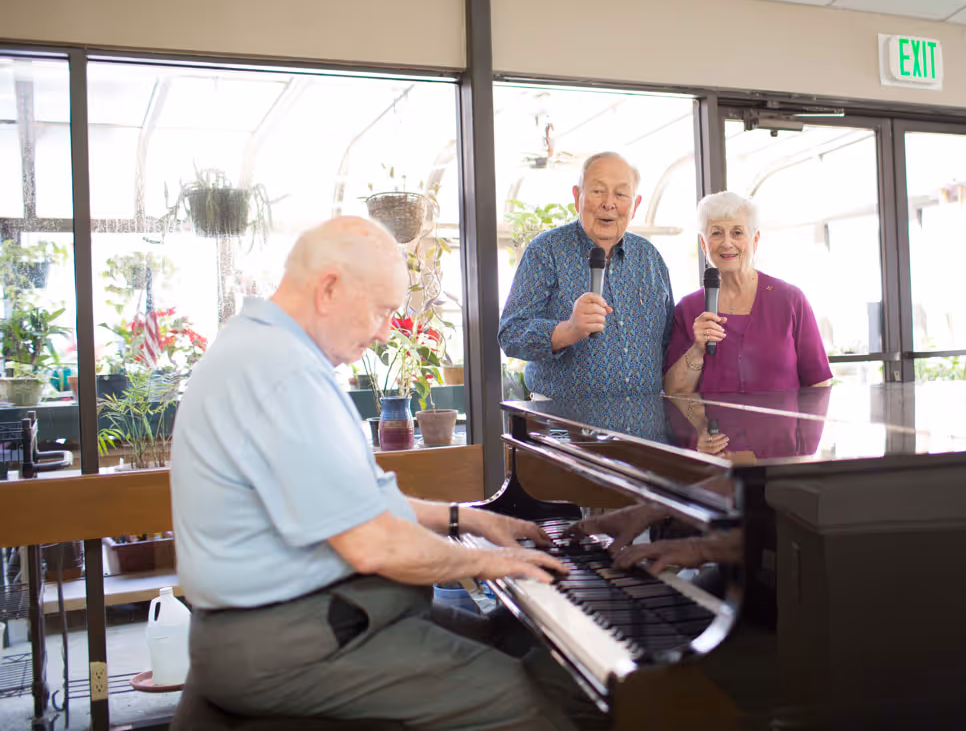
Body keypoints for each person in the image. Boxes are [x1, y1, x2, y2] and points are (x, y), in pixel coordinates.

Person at [170, 216, 576, 730]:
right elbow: (375, 545)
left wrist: (467, 519)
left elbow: (356, 502)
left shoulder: (263, 347)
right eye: (383, 311)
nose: (387, 331)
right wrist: (498, 564)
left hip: (315, 620)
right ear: (330, 289)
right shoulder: (283, 372)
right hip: (296, 640)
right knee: (535, 706)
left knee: (522, 641)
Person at [499, 152, 673, 400]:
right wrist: (567, 330)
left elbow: (669, 341)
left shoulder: (650, 258)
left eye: (621, 194)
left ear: (635, 205)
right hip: (563, 428)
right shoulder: (546, 251)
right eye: (598, 191)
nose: (609, 203)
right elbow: (511, 333)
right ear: (577, 196)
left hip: (644, 426)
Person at [664, 191, 832, 394]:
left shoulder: (790, 300)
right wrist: (698, 349)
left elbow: (819, 386)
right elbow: (674, 393)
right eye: (716, 233)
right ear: (703, 243)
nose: (727, 243)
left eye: (737, 232)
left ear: (755, 239)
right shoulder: (687, 309)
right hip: (712, 426)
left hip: (779, 426)